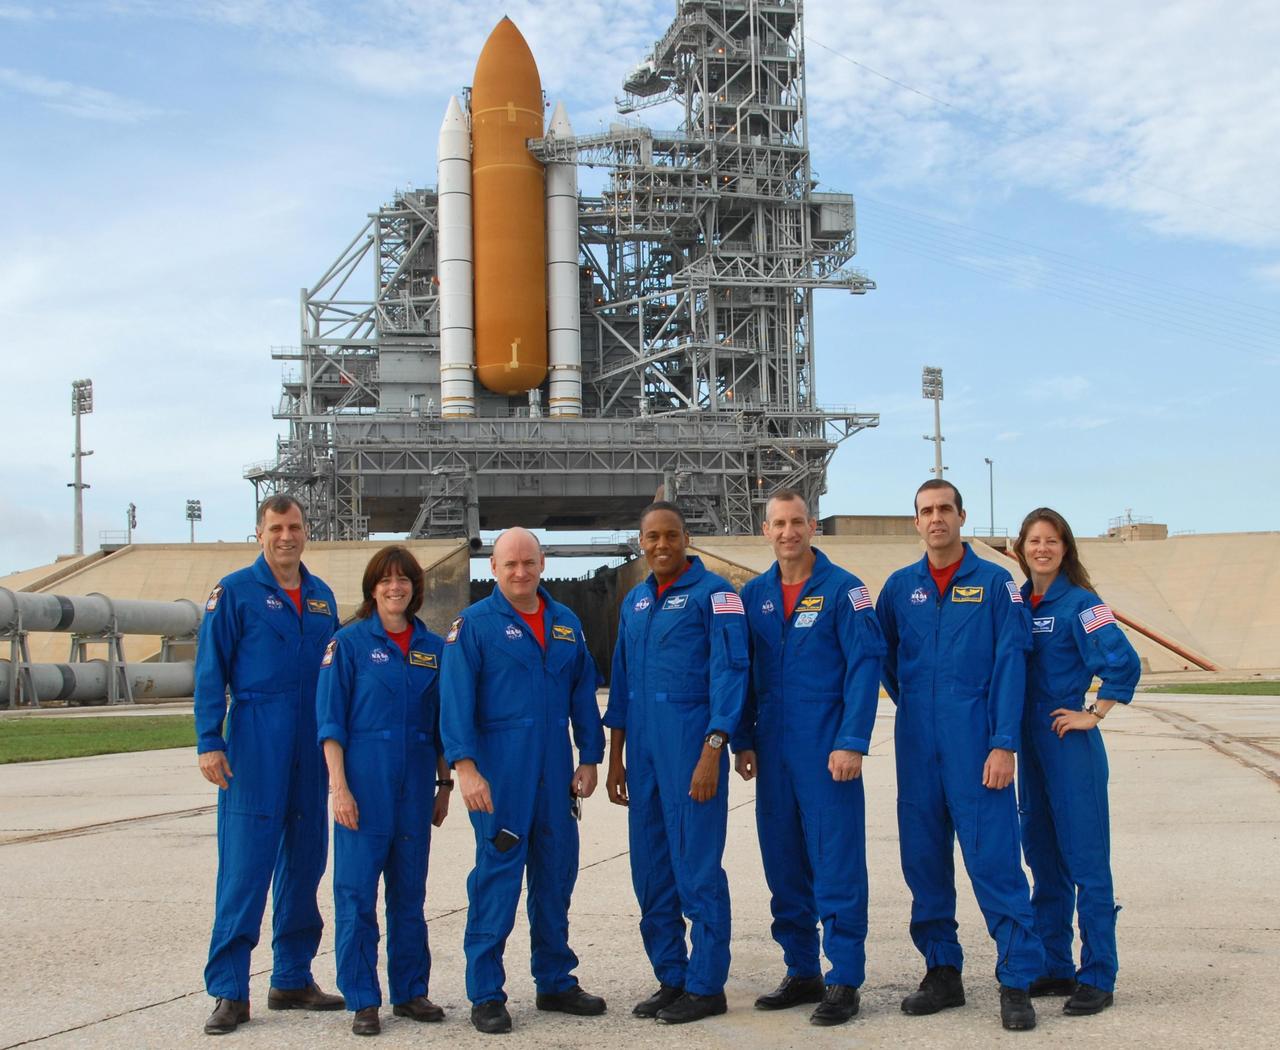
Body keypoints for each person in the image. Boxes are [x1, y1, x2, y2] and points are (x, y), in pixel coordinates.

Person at [875, 480, 1044, 1032]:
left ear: (962, 516)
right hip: (918, 746)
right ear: (915, 522)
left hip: (978, 745)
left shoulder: (996, 584)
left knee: (994, 861)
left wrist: (1002, 742)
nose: (937, 518)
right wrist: (923, 708)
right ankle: (942, 971)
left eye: (945, 508)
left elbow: (1011, 665)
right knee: (923, 863)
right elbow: (889, 662)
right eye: (927, 511)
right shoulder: (900, 589)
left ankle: (1016, 979)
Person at [440, 527, 606, 1035]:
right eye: (510, 563)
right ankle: (486, 993)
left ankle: (555, 981)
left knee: (555, 880)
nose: (520, 572)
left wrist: (590, 756)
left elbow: (583, 692)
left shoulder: (565, 623)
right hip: (499, 778)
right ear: (493, 567)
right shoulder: (473, 626)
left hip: (555, 776)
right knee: (496, 881)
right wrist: (464, 768)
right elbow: (454, 702)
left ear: (542, 564)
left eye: (529, 562)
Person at [733, 489, 885, 1026]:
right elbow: (742, 674)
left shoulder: (846, 592)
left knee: (836, 862)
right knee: (784, 863)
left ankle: (844, 977)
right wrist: (742, 739)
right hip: (772, 750)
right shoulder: (755, 595)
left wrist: (852, 740)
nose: (788, 532)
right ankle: (802, 971)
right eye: (778, 523)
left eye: (798, 522)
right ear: (766, 529)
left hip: (827, 750)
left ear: (813, 526)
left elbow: (865, 667)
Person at [194, 495, 343, 1035]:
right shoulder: (233, 593)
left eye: (295, 526)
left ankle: (292, 976)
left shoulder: (323, 597)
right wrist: (210, 739)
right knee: (245, 867)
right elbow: (211, 670)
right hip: (255, 740)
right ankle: (230, 991)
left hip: (312, 742)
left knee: (306, 862)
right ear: (260, 533)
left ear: (306, 532)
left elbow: (337, 677)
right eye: (277, 527)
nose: (287, 536)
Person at [605, 501, 749, 1025]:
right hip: (641, 750)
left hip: (690, 745)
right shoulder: (635, 603)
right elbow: (621, 685)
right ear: (640, 542)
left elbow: (731, 673)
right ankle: (672, 976)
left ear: (686, 538)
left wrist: (715, 747)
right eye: (651, 537)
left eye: (670, 536)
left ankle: (707, 985)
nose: (661, 545)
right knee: (651, 870)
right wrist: (616, 758)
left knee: (697, 868)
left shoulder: (718, 596)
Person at [316, 545, 452, 1036]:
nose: (396, 588)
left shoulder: (434, 649)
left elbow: (442, 726)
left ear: (415, 588)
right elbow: (330, 724)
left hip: (415, 785)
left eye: (404, 580)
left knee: (409, 894)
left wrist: (444, 785)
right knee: (355, 896)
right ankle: (362, 999)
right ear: (372, 588)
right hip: (363, 785)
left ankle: (411, 991)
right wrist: (339, 788)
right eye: (386, 580)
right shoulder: (347, 644)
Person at [1012, 508, 1141, 1017]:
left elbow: (1121, 658)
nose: (1042, 549)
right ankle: (1055, 964)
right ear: (1019, 548)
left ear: (1066, 548)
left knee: (1085, 861)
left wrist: (1095, 711)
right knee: (1042, 859)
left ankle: (1098, 973)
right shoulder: (1017, 603)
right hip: (1030, 751)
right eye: (1034, 541)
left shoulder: (1082, 603)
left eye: (1052, 541)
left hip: (1070, 749)